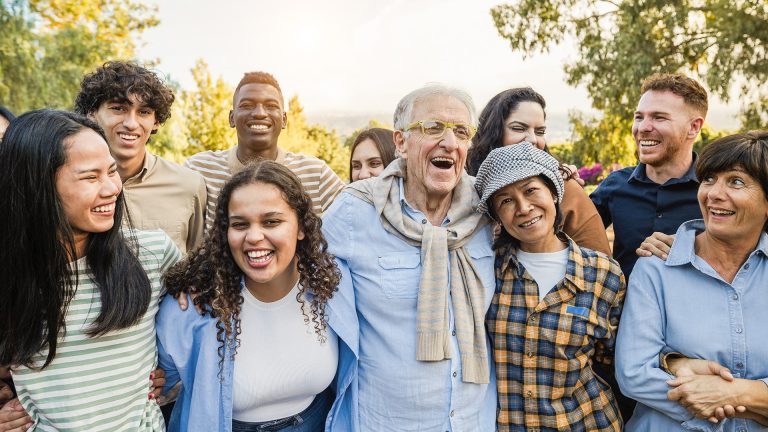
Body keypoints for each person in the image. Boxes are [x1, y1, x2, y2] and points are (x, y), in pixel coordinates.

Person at [321, 84, 497, 431]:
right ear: (400, 142)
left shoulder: (487, 211)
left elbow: (543, 222)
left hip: (473, 421)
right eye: (433, 127)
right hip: (386, 422)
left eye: (461, 131)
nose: (449, 141)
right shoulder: (356, 210)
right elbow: (291, 269)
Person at [0, 110, 180, 431]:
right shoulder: (10, 281)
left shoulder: (153, 255)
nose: (112, 187)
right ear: (37, 185)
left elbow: (210, 315)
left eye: (112, 171)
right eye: (90, 177)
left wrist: (171, 371)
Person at [156, 160, 345, 432]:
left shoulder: (331, 289)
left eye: (272, 221)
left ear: (302, 227)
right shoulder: (193, 306)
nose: (254, 236)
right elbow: (155, 383)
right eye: (240, 224)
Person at [616, 131, 768, 431]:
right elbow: (634, 372)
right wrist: (754, 403)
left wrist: (734, 393)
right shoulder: (656, 267)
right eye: (709, 179)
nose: (713, 193)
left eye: (736, 181)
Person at [474, 143, 625, 430]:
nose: (523, 208)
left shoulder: (603, 274)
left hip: (586, 422)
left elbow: (615, 361)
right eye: (506, 201)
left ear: (554, 192)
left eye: (531, 190)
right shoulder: (487, 271)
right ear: (496, 217)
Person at [74, 61, 207, 253]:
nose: (131, 123)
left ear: (156, 122)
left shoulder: (189, 186)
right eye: (119, 108)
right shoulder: (67, 183)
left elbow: (197, 265)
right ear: (92, 114)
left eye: (144, 112)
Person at [184, 71, 345, 230]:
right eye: (247, 105)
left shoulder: (315, 174)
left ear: (284, 119)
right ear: (232, 118)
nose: (259, 113)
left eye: (271, 106)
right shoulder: (198, 170)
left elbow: (359, 214)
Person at [466, 87, 611, 255]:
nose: (532, 140)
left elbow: (599, 262)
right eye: (519, 128)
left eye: (540, 131)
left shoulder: (566, 189)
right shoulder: (465, 188)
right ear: (493, 132)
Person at [590, 73, 707, 278]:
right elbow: (565, 238)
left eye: (659, 117)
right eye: (639, 117)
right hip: (624, 309)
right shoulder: (615, 186)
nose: (642, 128)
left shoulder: (715, 193)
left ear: (693, 127)